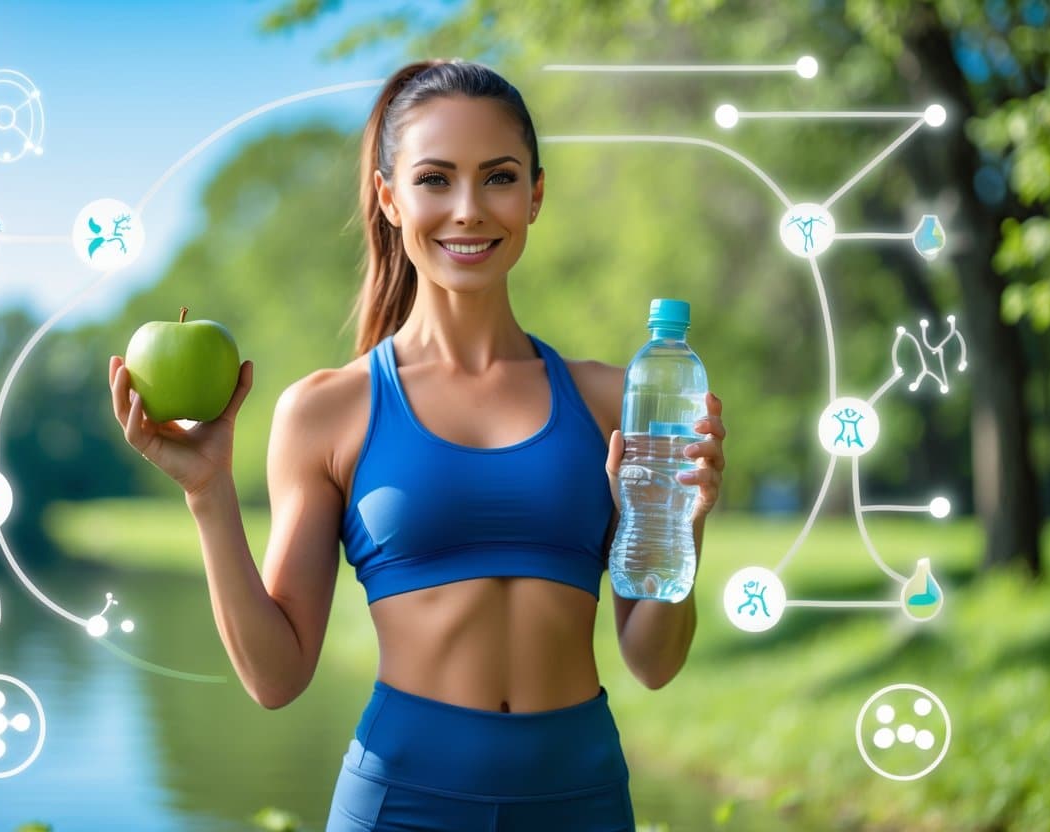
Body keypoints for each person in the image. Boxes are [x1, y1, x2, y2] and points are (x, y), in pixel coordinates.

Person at [108, 58, 726, 832]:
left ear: (535, 194)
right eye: (434, 179)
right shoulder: (328, 411)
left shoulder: (612, 399)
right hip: (401, 808)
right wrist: (207, 492)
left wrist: (682, 524)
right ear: (388, 197)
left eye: (497, 177)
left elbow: (653, 661)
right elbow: (276, 678)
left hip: (582, 805)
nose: (467, 209)